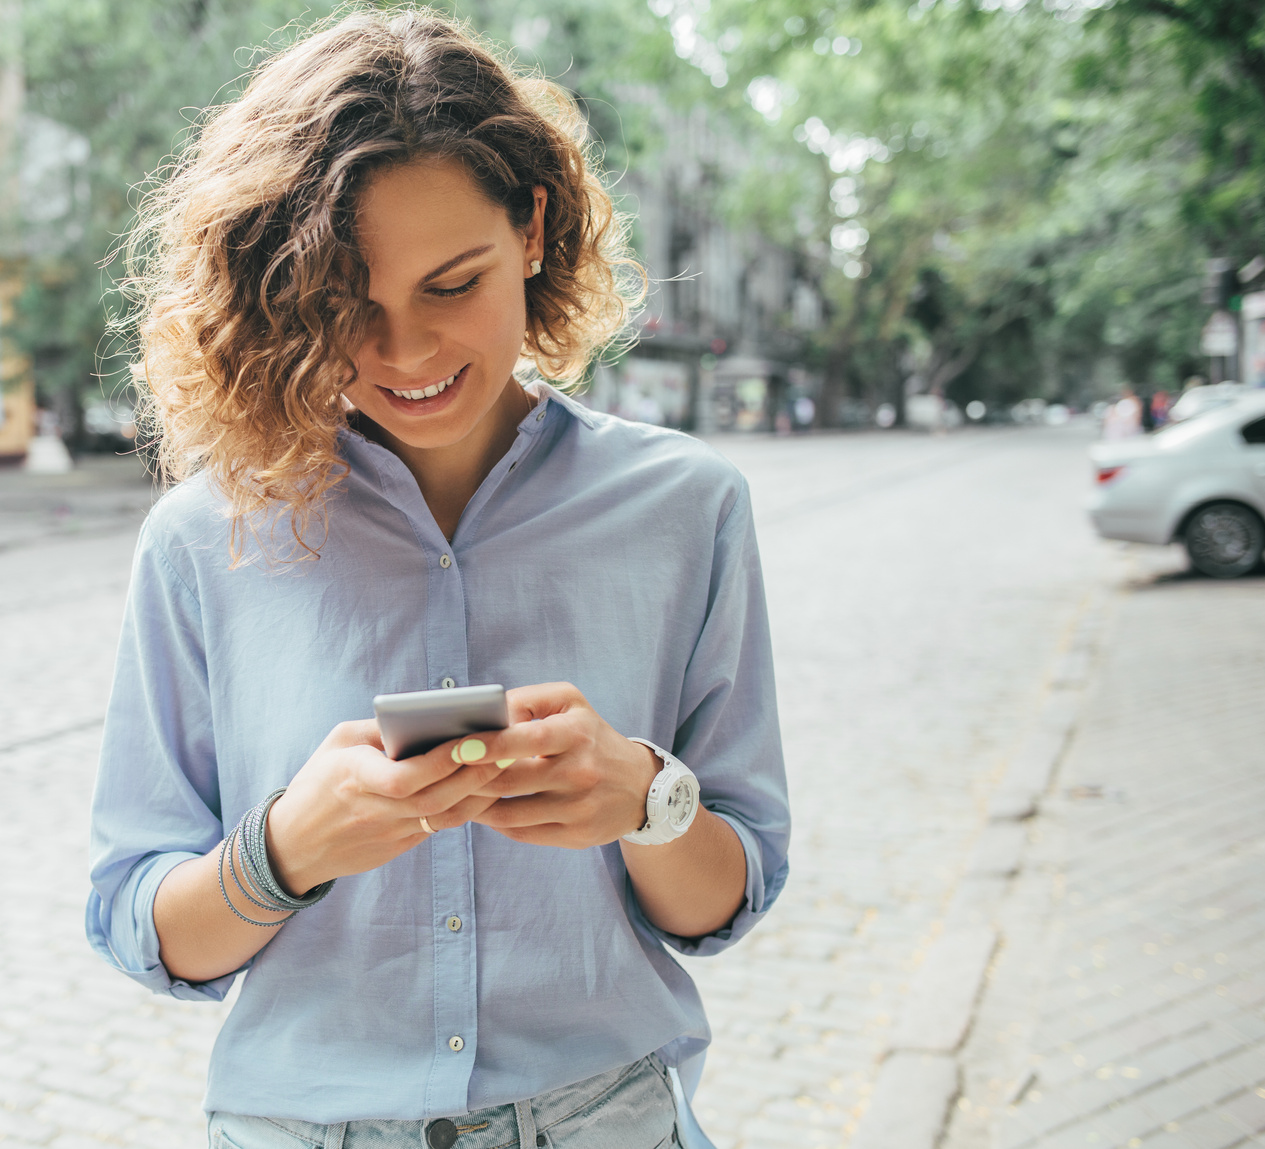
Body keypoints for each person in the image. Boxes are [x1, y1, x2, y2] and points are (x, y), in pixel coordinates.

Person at [86, 12, 790, 1149]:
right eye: (345, 307)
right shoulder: (200, 538)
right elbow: (139, 925)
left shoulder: (684, 508)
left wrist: (643, 797)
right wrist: (287, 852)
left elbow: (726, 895)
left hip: (604, 1118)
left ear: (531, 230)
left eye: (450, 284)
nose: (404, 354)